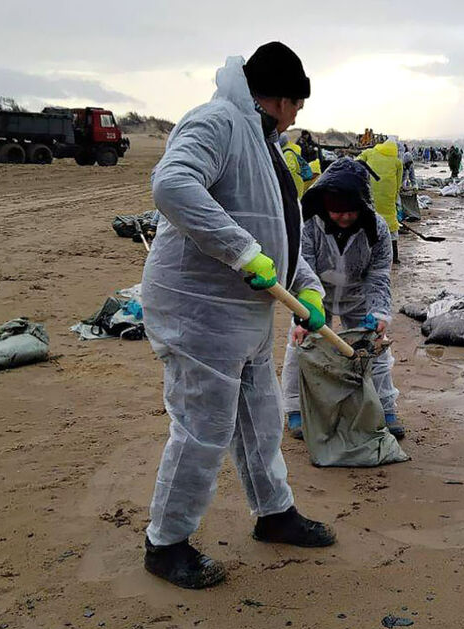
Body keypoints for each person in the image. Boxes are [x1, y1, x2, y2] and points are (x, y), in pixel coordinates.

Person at [141, 42, 336, 590]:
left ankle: (274, 513)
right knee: (202, 428)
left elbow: (276, 229)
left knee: (260, 419)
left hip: (246, 316)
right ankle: (166, 542)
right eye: (297, 103)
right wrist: (240, 251)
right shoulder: (217, 122)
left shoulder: (266, 144)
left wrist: (309, 288)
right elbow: (172, 185)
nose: (299, 115)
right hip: (198, 313)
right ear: (277, 96)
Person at [281, 157, 403, 440]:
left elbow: (379, 275)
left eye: (351, 212)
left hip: (357, 295)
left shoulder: (378, 230)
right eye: (337, 212)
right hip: (314, 294)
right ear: (325, 205)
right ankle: (295, 409)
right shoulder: (308, 225)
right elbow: (303, 268)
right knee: (299, 346)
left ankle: (386, 408)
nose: (345, 218)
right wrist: (303, 315)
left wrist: (380, 312)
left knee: (377, 351)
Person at [356, 137, 402, 264]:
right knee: (391, 225)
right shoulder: (397, 161)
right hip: (388, 198)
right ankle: (394, 257)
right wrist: (394, 194)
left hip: (370, 194)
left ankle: (367, 257)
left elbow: (356, 162)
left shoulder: (370, 152)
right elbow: (399, 183)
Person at [280, 134, 318, 198]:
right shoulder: (291, 150)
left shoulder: (287, 153)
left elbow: (290, 170)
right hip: (298, 183)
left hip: (294, 185)